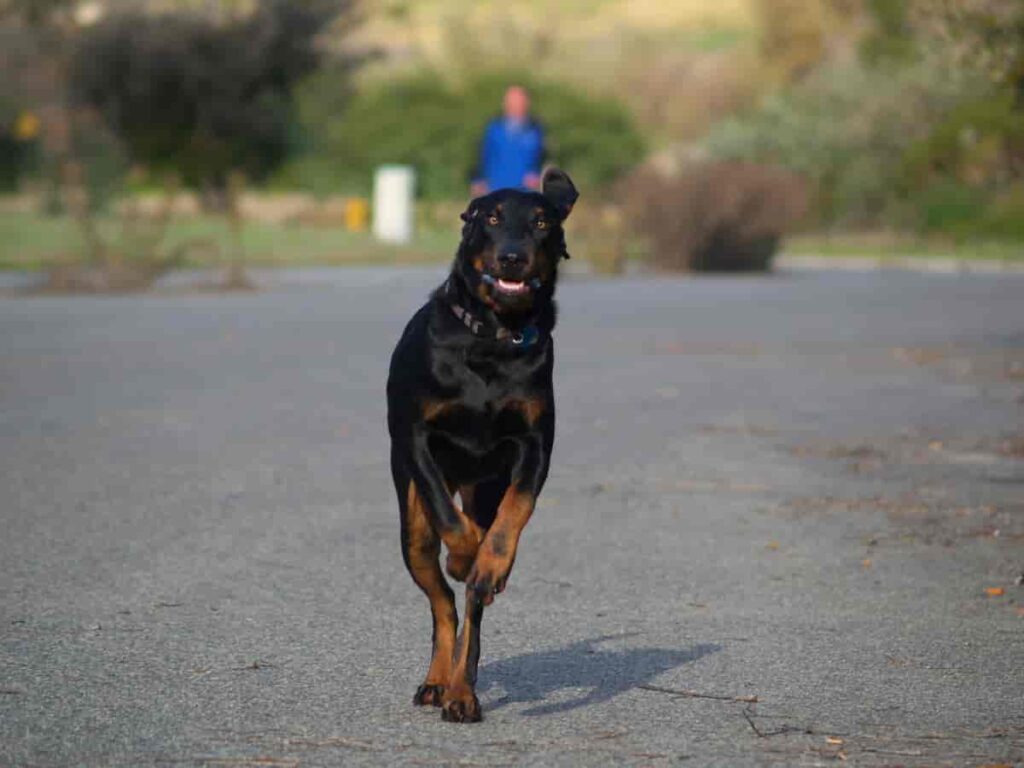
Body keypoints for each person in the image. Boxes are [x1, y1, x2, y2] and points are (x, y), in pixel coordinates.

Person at [470, 86, 546, 196]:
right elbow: (483, 157)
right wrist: (478, 180)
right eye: (512, 102)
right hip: (497, 191)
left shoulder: (535, 129)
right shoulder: (494, 129)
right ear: (505, 104)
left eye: (520, 102)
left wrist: (537, 175)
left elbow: (542, 158)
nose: (516, 106)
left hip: (525, 192)